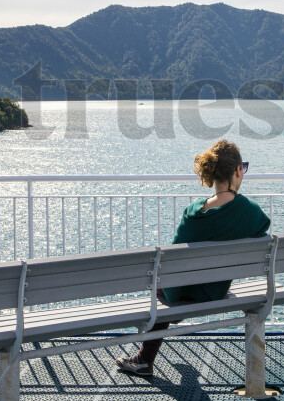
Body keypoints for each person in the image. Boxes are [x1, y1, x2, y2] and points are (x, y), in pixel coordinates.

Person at [116, 139, 271, 376]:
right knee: (168, 285)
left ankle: (145, 358)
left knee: (161, 288)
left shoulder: (192, 213)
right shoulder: (250, 211)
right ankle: (145, 357)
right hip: (214, 291)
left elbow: (170, 259)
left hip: (180, 292)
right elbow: (262, 235)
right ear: (237, 171)